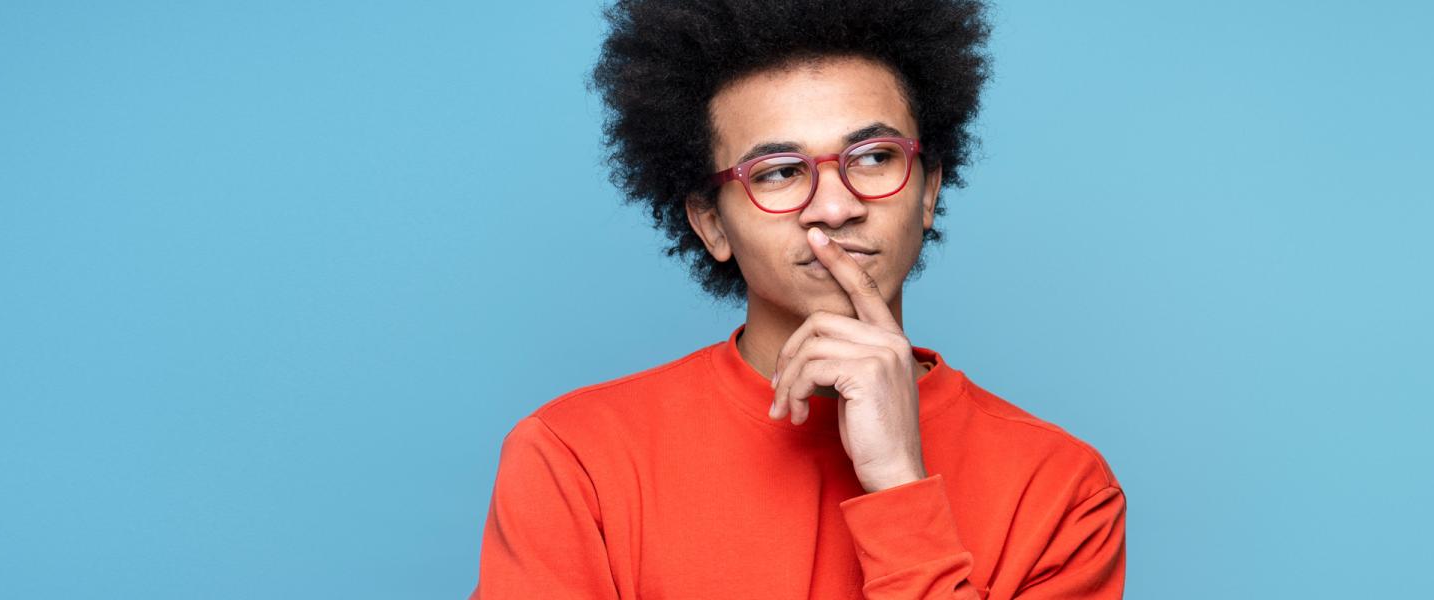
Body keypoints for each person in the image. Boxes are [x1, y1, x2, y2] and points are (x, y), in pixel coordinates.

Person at [470, 1, 1125, 597]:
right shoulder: (573, 458)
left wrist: (900, 486)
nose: (836, 207)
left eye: (873, 157)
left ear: (927, 191)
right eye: (779, 173)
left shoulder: (1063, 490)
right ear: (712, 224)